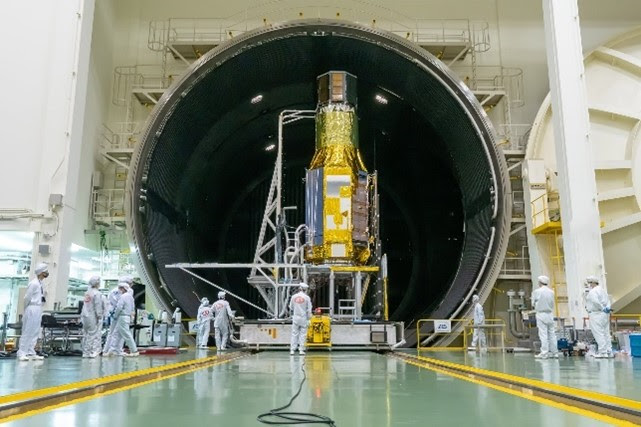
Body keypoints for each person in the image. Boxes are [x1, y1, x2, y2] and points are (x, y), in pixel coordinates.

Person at [17, 263, 48, 361]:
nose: (47, 273)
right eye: (45, 271)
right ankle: (22, 352)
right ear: (41, 272)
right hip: (31, 308)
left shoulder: (41, 283)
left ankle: (31, 351)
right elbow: (27, 297)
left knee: (35, 331)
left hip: (38, 308)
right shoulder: (33, 283)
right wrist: (26, 309)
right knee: (28, 330)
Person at [585, 276, 613, 358]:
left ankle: (603, 352)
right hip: (605, 314)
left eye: (589, 283)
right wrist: (606, 308)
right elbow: (608, 301)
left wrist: (601, 307)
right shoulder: (603, 290)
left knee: (598, 333)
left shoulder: (593, 292)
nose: (589, 285)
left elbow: (595, 302)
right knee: (606, 333)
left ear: (592, 283)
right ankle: (609, 351)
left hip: (596, 314)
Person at [532, 275, 558, 359]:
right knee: (552, 334)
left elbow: (533, 303)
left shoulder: (537, 291)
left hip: (541, 314)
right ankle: (555, 353)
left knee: (543, 334)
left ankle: (544, 353)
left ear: (540, 282)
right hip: (550, 314)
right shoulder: (551, 292)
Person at [111, 283, 139, 357]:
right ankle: (115, 350)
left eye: (120, 288)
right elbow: (133, 309)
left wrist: (115, 315)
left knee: (126, 334)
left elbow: (119, 307)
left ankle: (134, 350)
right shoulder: (131, 297)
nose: (119, 290)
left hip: (122, 317)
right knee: (117, 334)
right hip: (127, 317)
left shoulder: (123, 296)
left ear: (124, 288)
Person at [81, 276, 104, 358]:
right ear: (97, 283)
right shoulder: (97, 293)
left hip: (84, 316)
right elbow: (98, 306)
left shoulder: (87, 292)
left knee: (86, 334)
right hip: (92, 316)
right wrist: (100, 316)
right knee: (92, 334)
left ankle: (84, 351)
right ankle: (87, 352)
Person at [289, 283, 312, 356]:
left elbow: (291, 307)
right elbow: (309, 309)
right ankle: (301, 350)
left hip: (295, 317)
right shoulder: (307, 298)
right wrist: (309, 319)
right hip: (303, 318)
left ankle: (292, 350)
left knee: (294, 333)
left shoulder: (293, 297)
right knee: (303, 334)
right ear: (305, 290)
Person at [102, 285, 122, 355]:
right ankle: (114, 349)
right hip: (117, 314)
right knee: (117, 333)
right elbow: (119, 305)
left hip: (113, 314)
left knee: (111, 333)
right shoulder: (120, 292)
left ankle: (107, 349)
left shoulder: (113, 291)